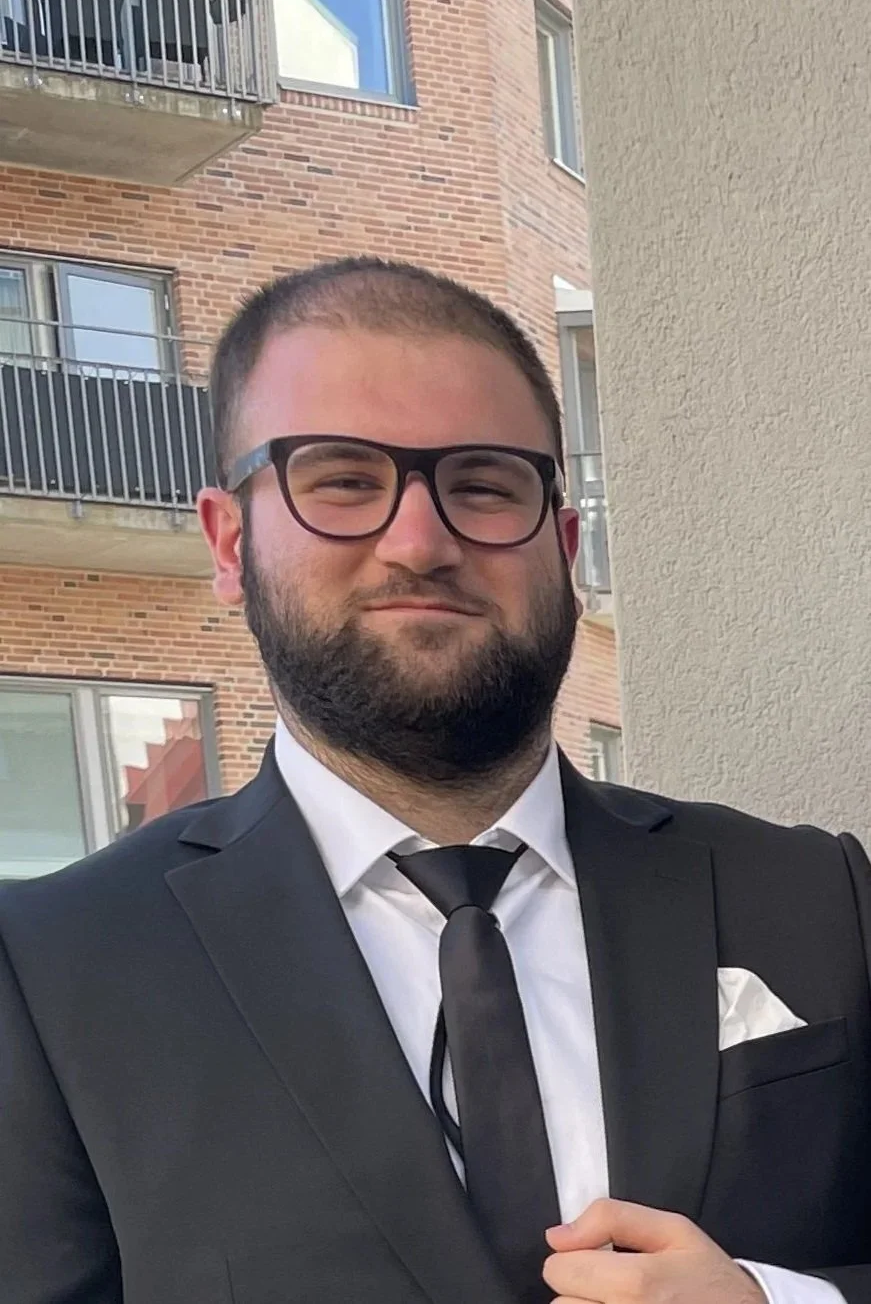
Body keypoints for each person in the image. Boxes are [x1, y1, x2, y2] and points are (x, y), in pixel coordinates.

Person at [0, 258, 869, 1304]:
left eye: (482, 484)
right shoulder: (53, 971)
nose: (420, 541)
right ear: (229, 541)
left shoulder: (815, 895)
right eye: (342, 480)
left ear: (564, 541)